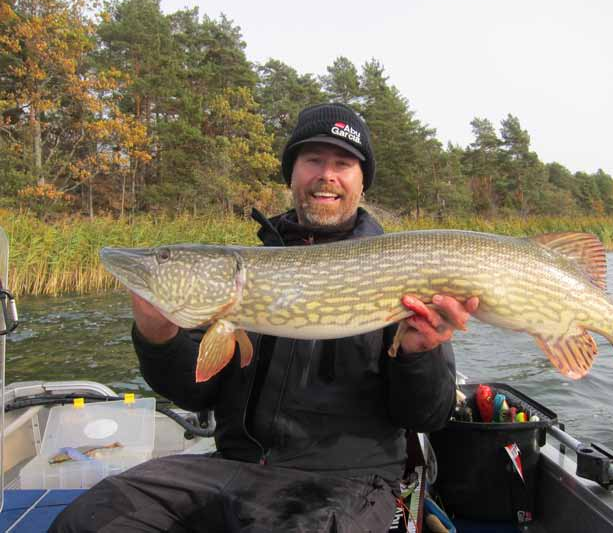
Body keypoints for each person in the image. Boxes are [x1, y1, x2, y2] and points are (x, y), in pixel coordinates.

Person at [51, 103, 479, 532]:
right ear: (291, 175)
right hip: (232, 469)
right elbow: (195, 394)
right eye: (313, 160)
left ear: (361, 181)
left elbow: (427, 417)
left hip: (347, 485)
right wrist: (158, 335)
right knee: (89, 520)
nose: (326, 174)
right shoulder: (239, 276)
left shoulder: (401, 271)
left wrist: (419, 353)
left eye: (343, 163)